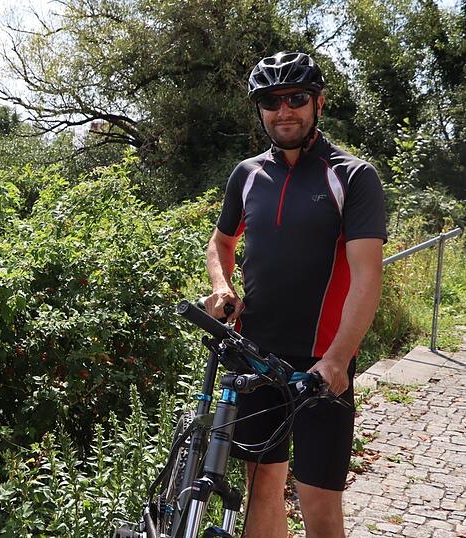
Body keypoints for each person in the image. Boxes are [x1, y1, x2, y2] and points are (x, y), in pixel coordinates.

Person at [204, 51, 387, 538]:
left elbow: (368, 276)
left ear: (318, 103)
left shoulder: (351, 176)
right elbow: (222, 242)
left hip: (321, 363)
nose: (284, 110)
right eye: (270, 101)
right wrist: (223, 288)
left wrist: (338, 358)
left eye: (296, 98)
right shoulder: (247, 175)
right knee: (261, 484)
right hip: (254, 354)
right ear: (259, 109)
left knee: (319, 504)